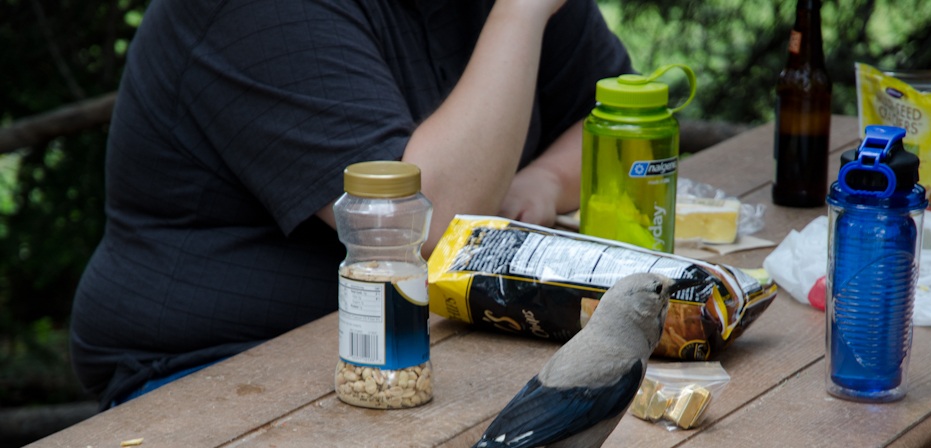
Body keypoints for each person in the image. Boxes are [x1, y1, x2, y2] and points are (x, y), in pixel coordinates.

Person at [70, 0, 633, 409]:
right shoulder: (252, 13)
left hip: (428, 341)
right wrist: (521, 12)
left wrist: (544, 180)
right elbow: (427, 221)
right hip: (214, 370)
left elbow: (626, 118)